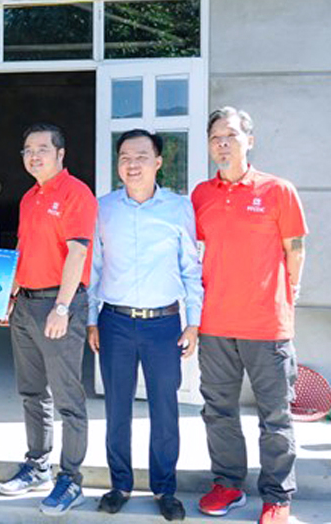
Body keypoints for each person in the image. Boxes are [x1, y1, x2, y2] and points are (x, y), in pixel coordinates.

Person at [192, 107, 307, 524]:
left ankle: (277, 496)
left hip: (266, 324)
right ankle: (228, 484)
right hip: (215, 323)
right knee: (218, 410)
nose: (223, 144)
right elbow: (196, 254)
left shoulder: (278, 190)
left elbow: (296, 250)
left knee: (274, 416)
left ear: (249, 141)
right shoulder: (201, 195)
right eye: (215, 138)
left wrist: (287, 295)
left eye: (231, 136)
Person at [87, 130, 203, 521]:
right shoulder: (103, 208)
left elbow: (191, 268)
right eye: (124, 157)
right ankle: (119, 484)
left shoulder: (178, 208)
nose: (131, 164)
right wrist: (92, 320)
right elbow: (94, 268)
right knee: (116, 408)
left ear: (158, 162)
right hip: (115, 322)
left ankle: (164, 488)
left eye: (141, 156)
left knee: (164, 410)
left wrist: (193, 322)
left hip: (163, 325)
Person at [0, 123, 97, 515]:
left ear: (60, 154)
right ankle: (38, 464)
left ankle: (70, 479)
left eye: (42, 148)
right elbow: (23, 249)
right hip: (25, 303)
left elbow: (78, 252)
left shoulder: (76, 193)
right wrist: (9, 296)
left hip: (58, 304)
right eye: (27, 149)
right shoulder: (29, 197)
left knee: (68, 398)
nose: (34, 155)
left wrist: (62, 307)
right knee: (32, 392)